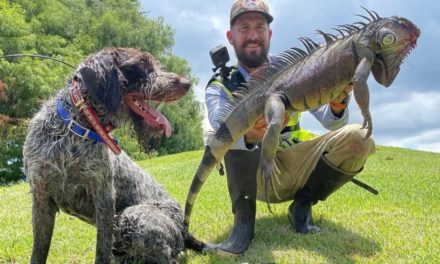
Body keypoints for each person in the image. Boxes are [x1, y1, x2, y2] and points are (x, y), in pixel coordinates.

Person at [205, 0, 376, 255]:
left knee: (359, 138)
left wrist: (339, 101)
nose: (253, 35)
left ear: (269, 33)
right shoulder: (219, 86)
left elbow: (332, 122)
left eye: (260, 27)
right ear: (230, 36)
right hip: (259, 175)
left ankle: (302, 205)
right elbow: (220, 128)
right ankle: (243, 222)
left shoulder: (296, 71)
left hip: (299, 167)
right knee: (217, 137)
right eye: (244, 28)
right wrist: (252, 133)